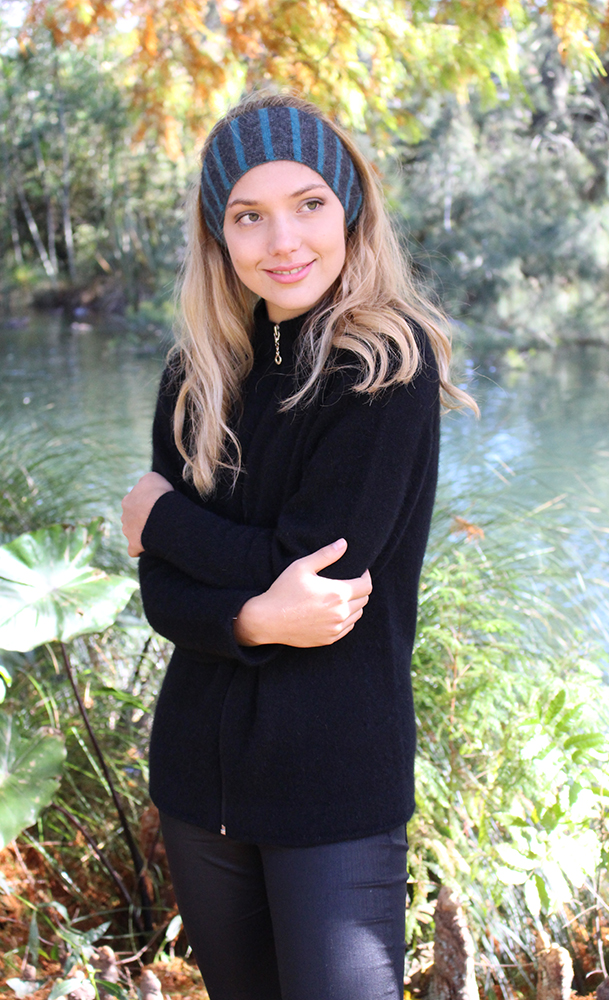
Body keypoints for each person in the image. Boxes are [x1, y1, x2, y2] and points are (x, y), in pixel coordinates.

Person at [121, 91, 475, 1000]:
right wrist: (252, 618)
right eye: (249, 215)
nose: (282, 240)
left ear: (348, 207)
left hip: (332, 791)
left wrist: (159, 520)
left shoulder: (384, 365)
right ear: (218, 233)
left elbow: (324, 576)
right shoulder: (197, 372)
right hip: (199, 785)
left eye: (308, 203)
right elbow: (162, 596)